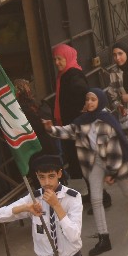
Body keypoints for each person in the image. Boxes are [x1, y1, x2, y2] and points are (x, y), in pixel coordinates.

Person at [45, 88, 128, 256]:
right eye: (87, 99)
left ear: (100, 101)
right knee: (96, 199)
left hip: (114, 161)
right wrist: (50, 129)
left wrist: (112, 174)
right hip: (95, 162)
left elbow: (116, 149)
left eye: (93, 99)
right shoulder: (82, 121)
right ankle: (103, 238)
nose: (89, 103)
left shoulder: (107, 121)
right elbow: (67, 131)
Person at [52, 44, 89, 183]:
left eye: (60, 59)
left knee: (83, 160)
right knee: (80, 161)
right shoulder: (64, 75)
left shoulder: (73, 75)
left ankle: (101, 196)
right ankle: (94, 194)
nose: (57, 63)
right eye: (55, 59)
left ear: (68, 57)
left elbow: (82, 94)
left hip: (77, 126)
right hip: (72, 125)